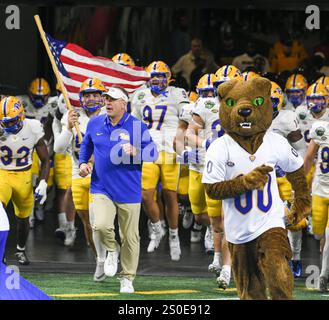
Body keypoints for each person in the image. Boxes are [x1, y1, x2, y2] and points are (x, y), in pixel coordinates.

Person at [79, 86, 158, 293]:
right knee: (100, 225)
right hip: (100, 186)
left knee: (130, 237)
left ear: (124, 103)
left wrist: (136, 151)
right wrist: (82, 163)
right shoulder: (95, 123)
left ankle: (127, 278)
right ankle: (111, 250)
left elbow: (153, 153)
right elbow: (86, 145)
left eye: (112, 99)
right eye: (106, 99)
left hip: (128, 189)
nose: (107, 102)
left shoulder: (137, 126)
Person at [131, 60, 190, 261]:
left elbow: (188, 115)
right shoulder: (140, 95)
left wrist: (180, 133)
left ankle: (174, 236)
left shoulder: (177, 93)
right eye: (153, 76)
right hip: (148, 148)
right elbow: (134, 121)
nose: (157, 80)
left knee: (170, 194)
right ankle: (157, 227)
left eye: (161, 76)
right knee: (146, 195)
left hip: (170, 149)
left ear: (169, 78)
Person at [54, 78, 106, 253]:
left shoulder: (110, 116)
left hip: (103, 175)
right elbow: (59, 149)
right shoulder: (74, 116)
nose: (90, 99)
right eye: (87, 95)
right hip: (79, 174)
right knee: (87, 222)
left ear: (102, 97)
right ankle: (99, 257)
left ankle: (109, 252)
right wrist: (68, 127)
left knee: (99, 220)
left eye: (94, 95)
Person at [0, 96, 50, 265]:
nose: (9, 126)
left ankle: (20, 250)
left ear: (22, 115)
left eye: (12, 121)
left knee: (23, 218)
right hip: (2, 173)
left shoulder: (33, 126)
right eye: (5, 122)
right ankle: (1, 253)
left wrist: (43, 182)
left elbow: (45, 159)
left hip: (24, 176)